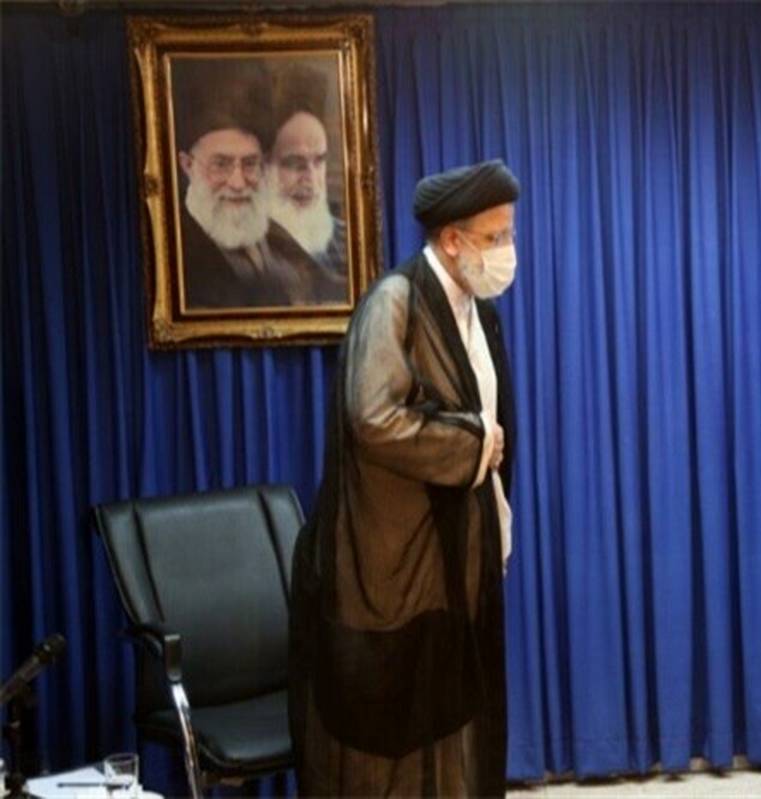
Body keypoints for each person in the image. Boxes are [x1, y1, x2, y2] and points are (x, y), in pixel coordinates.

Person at [289, 159, 520, 797]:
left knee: (455, 713)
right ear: (452, 240)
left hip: (457, 552)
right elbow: (374, 418)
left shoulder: (478, 310)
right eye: (495, 236)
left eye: (508, 233)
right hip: (394, 563)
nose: (507, 250)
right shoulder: (395, 302)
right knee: (395, 728)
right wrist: (473, 441)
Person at [173, 61, 310, 309]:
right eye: (221, 164)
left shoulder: (285, 244)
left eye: (249, 164)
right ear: (187, 165)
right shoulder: (177, 256)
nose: (237, 183)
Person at [265, 65, 348, 304]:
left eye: (319, 161)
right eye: (294, 163)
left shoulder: (346, 241)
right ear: (264, 167)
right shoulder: (247, 251)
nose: (309, 177)